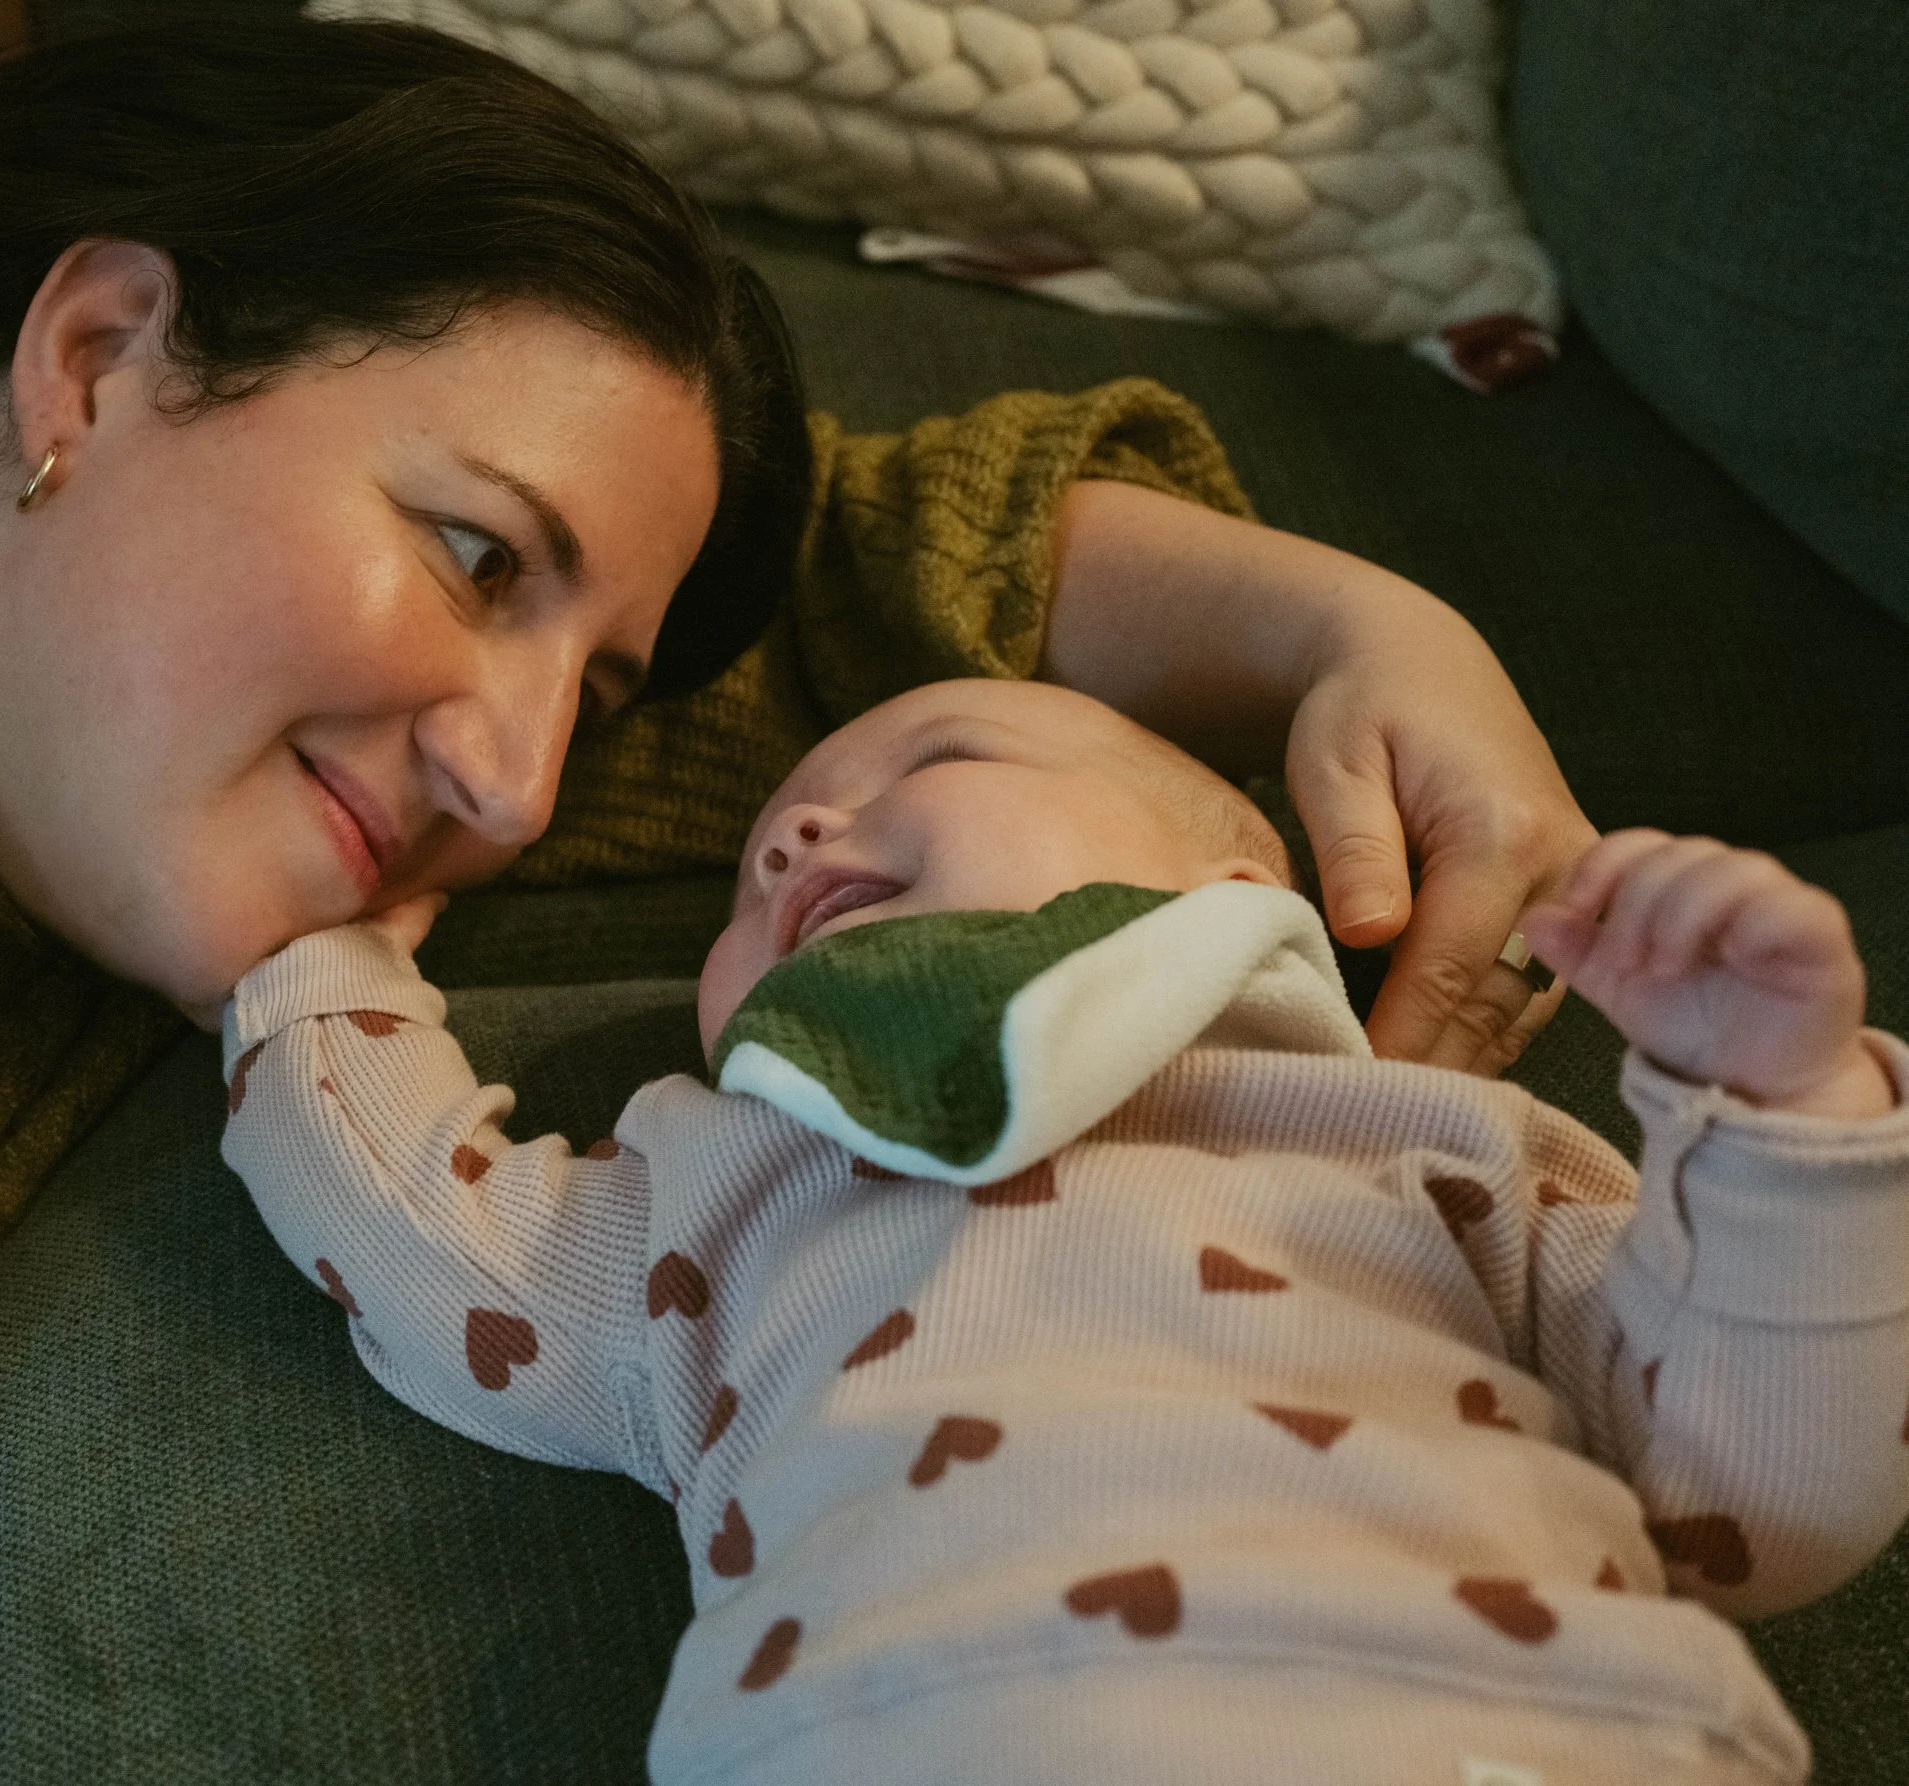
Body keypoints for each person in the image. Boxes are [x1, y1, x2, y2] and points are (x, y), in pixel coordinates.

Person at [0, 12, 1601, 1783]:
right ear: (90, 359)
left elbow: (860, 564)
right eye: (474, 558)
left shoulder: (72, 619)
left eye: (593, 673)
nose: (519, 775)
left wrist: (1370, 637)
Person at [218, 677, 1908, 1786]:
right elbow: (423, 1230)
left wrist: (1778, 1121)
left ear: (1243, 889)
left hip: (1518, 1732)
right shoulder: (711, 1179)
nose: (794, 834)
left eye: (935, 759)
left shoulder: (1434, 1136)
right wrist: (316, 967)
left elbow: (1751, 1496)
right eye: (754, 872)